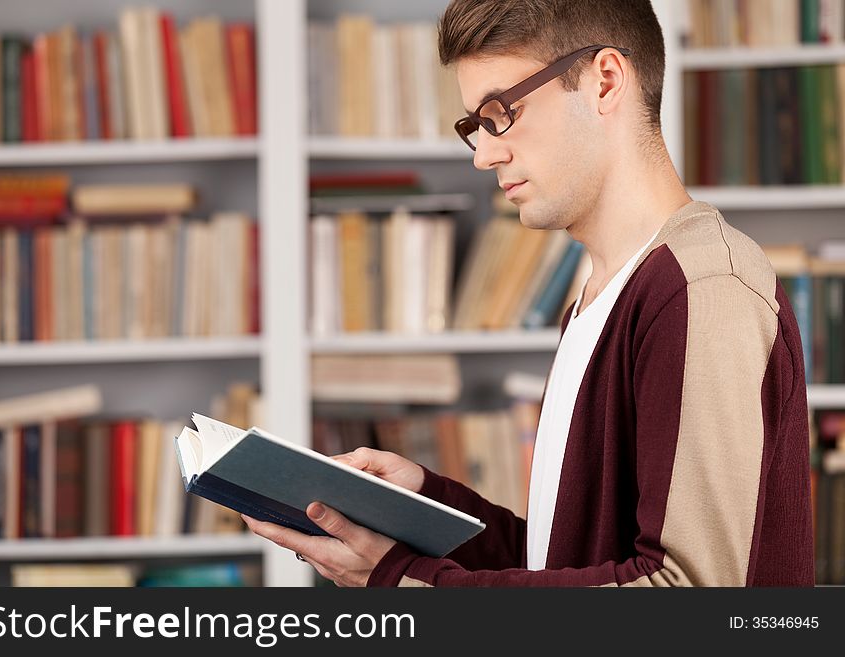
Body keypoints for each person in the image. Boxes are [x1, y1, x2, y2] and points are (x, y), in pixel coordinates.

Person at [243, 0, 814, 586]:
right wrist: (426, 501)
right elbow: (569, 562)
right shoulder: (597, 299)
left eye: (500, 113)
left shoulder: (699, 288)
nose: (485, 154)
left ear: (605, 80)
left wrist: (407, 582)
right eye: (475, 127)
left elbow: (689, 594)